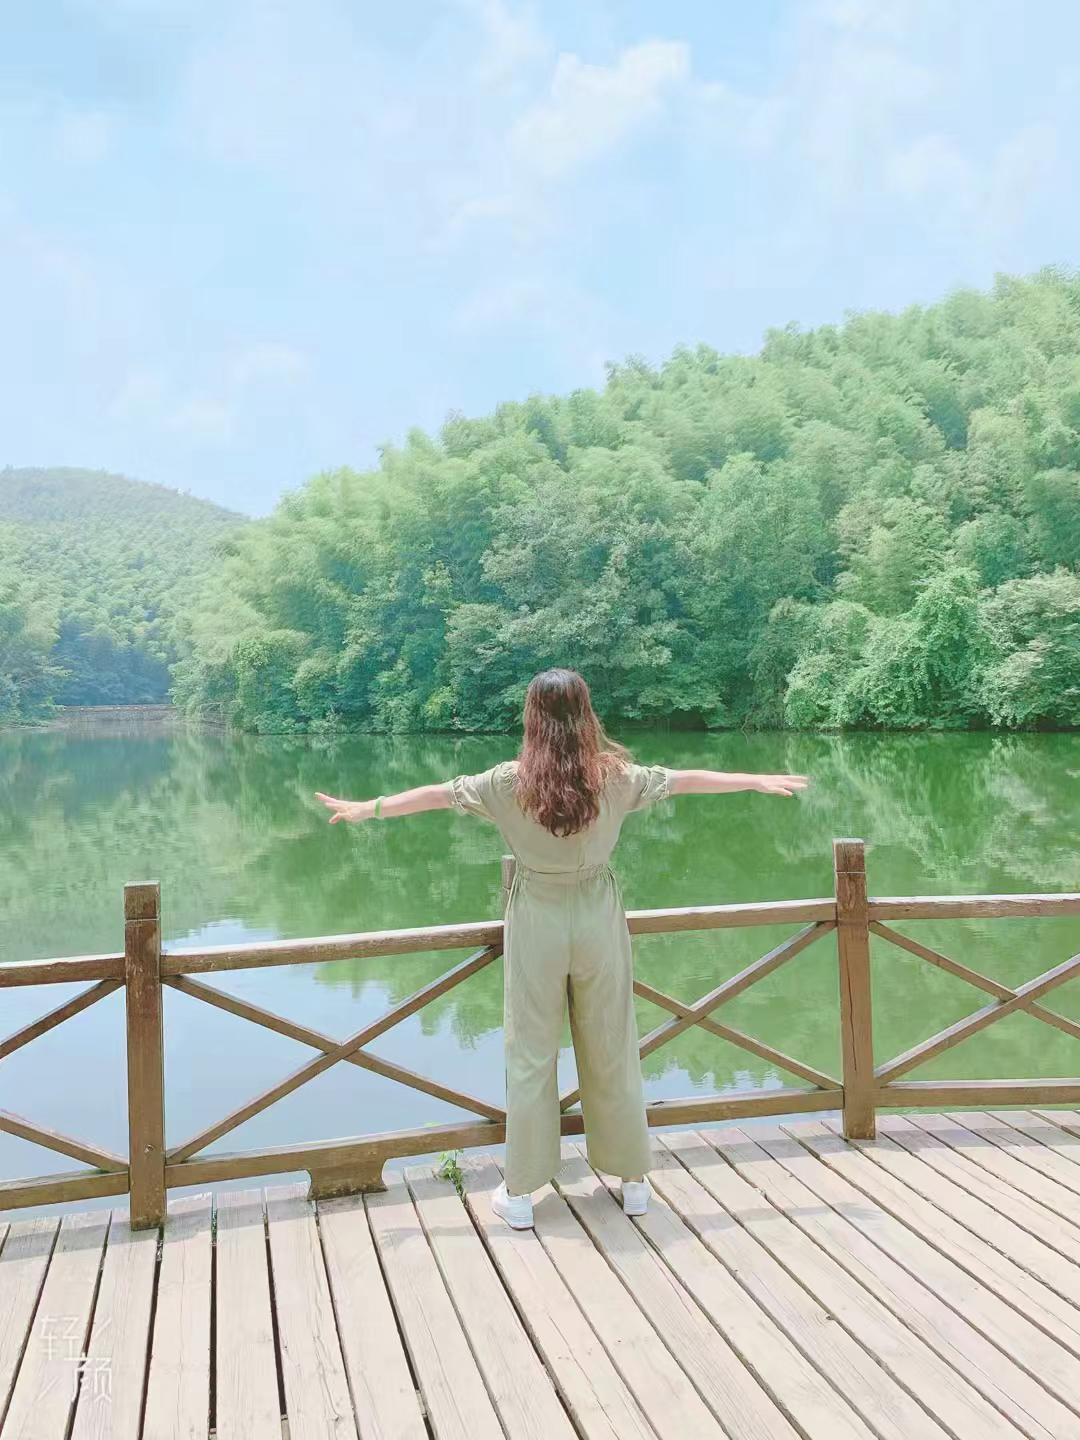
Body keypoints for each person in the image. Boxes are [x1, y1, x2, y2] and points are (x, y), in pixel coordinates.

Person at [316, 668, 807, 1230]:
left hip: (537, 918)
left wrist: (369, 808)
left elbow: (436, 795)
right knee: (612, 1045)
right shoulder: (614, 777)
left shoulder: (507, 783)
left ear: (532, 717)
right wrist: (752, 780)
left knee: (531, 1052)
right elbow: (685, 780)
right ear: (586, 713)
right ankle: (633, 1181)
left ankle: (522, 1191)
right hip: (597, 915)